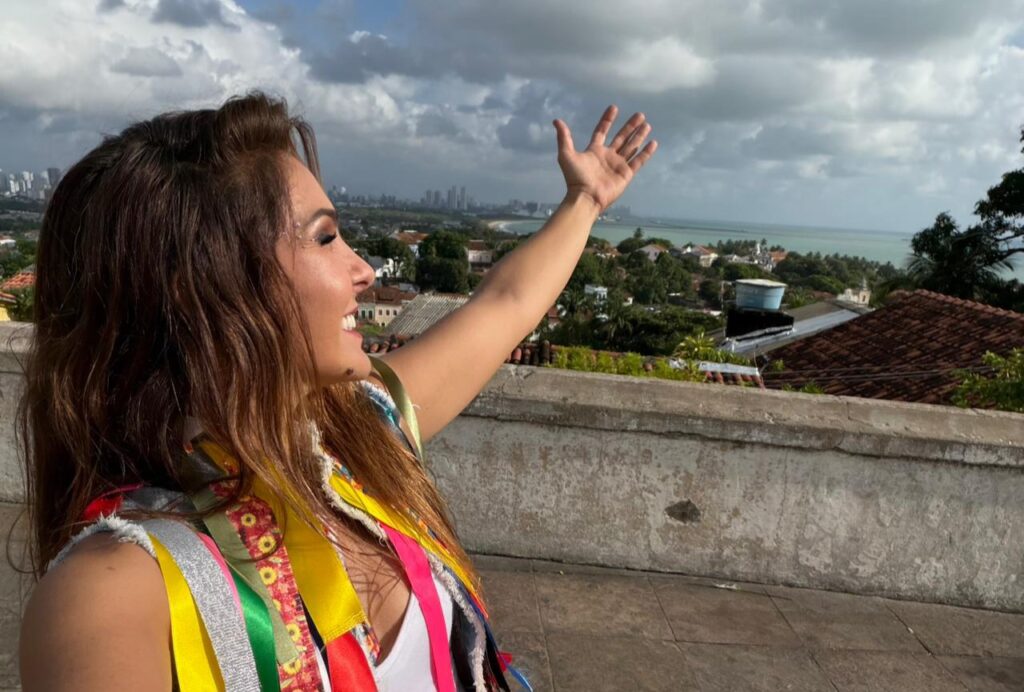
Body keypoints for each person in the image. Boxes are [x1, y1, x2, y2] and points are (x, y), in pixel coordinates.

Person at [17, 91, 656, 691]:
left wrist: (585, 200)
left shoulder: (357, 441)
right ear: (213, 283)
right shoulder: (114, 593)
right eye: (325, 237)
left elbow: (505, 303)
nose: (364, 270)